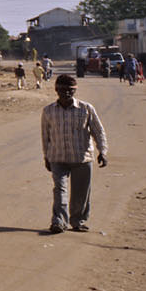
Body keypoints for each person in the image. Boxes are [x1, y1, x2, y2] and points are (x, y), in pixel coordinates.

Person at [39, 74, 107, 234]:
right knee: (59, 190)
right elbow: (45, 136)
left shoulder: (86, 108)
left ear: (75, 90)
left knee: (81, 193)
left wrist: (102, 151)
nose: (66, 93)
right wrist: (46, 156)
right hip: (58, 157)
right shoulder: (48, 111)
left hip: (82, 159)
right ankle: (58, 222)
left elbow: (98, 131)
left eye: (70, 90)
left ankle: (78, 221)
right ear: (56, 90)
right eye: (62, 89)